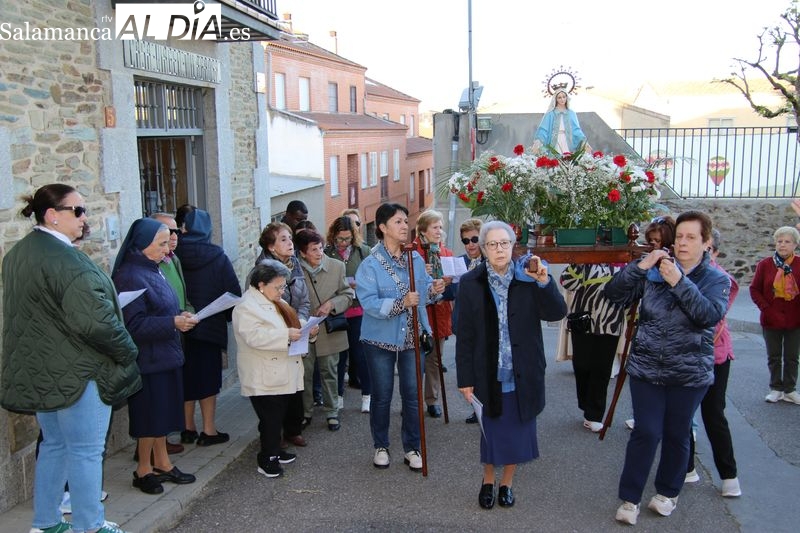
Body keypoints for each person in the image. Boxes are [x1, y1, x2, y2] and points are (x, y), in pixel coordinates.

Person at [1, 184, 140, 533]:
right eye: (77, 211)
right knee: (85, 451)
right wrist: (128, 351)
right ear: (52, 216)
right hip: (79, 373)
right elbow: (96, 323)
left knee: (54, 446)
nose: (84, 218)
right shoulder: (66, 261)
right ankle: (89, 525)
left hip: (43, 370)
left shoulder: (19, 253)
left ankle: (46, 523)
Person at [605, 210, 730, 525]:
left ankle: (667, 492)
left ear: (706, 243)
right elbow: (614, 295)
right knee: (646, 431)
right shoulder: (655, 270)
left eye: (691, 238)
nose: (683, 243)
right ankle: (630, 498)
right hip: (647, 367)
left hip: (689, 373)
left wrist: (680, 282)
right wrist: (640, 268)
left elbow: (708, 316)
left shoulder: (717, 279)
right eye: (681, 237)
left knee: (677, 433)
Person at [455, 221, 567, 510]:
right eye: (492, 244)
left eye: (504, 243)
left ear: (513, 245)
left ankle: (507, 482)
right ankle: (488, 479)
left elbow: (556, 311)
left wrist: (545, 281)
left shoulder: (528, 277)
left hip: (524, 369)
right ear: (483, 249)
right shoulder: (470, 283)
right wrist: (465, 378)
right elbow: (463, 335)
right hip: (487, 371)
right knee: (491, 431)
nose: (499, 249)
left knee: (519, 430)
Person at [355, 203, 444, 471]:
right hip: (379, 339)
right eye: (398, 221)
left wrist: (435, 290)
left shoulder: (415, 258)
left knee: (412, 395)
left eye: (406, 221)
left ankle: (412, 447)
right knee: (382, 395)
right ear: (382, 228)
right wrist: (401, 302)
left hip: (412, 337)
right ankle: (380, 445)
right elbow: (368, 302)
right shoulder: (370, 265)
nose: (405, 226)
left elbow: (424, 294)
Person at [112, 218, 198, 495]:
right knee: (149, 417)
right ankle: (143, 470)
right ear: (142, 244)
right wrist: (173, 323)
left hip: (164, 354)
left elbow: (163, 308)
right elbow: (132, 324)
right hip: (148, 359)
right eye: (161, 244)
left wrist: (180, 316)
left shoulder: (154, 268)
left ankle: (162, 462)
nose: (167, 249)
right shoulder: (129, 275)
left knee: (161, 415)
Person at [175, 208, 242, 446]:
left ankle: (187, 428)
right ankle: (209, 430)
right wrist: (225, 315)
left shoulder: (173, 253)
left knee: (186, 378)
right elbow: (234, 294)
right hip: (209, 327)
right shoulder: (218, 256)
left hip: (179, 327)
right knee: (208, 380)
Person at [232, 261, 304, 478]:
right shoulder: (246, 306)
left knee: (278, 415)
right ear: (261, 284)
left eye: (283, 287)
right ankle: (267, 458)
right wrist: (287, 335)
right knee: (271, 418)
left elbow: (285, 325)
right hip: (263, 372)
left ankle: (276, 451)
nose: (282, 291)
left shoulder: (272, 299)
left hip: (279, 369)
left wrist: (305, 329)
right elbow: (253, 337)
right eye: (278, 287)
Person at [684, 229, 742, 497]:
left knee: (713, 414)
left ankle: (729, 476)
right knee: (681, 416)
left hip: (715, 355)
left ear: (713, 251)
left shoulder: (720, 279)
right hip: (684, 355)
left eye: (708, 250)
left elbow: (708, 315)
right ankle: (686, 468)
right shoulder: (681, 271)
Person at [257, 222, 316, 446]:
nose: (290, 242)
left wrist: (300, 323)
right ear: (271, 247)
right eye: (283, 239)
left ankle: (293, 429)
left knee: (295, 385)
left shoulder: (296, 266)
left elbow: (304, 300)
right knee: (275, 391)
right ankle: (274, 434)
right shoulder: (262, 271)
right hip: (275, 336)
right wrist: (286, 328)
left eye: (290, 237)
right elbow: (262, 308)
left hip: (295, 331)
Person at [296, 230, 354, 430]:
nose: (319, 252)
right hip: (303, 330)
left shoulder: (336, 267)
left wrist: (331, 304)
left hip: (328, 331)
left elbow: (348, 294)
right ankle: (305, 412)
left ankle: (332, 412)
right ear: (302, 253)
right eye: (313, 250)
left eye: (320, 247)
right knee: (304, 373)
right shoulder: (294, 271)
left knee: (330, 371)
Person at [560, 263, 627, 432]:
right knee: (581, 365)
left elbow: (630, 290)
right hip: (583, 320)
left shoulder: (622, 263)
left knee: (602, 369)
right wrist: (578, 264)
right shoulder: (585, 259)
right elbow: (566, 282)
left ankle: (594, 414)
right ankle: (586, 403)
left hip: (610, 321)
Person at [325, 215, 373, 413]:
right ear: (332, 237)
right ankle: (338, 397)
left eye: (347, 239)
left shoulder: (364, 252)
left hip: (359, 310)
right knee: (339, 357)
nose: (343, 243)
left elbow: (373, 279)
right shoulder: (327, 253)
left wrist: (358, 283)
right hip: (337, 311)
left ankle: (367, 396)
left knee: (360, 355)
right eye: (339, 239)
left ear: (354, 236)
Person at [412, 209, 456, 418]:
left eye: (440, 227)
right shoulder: (411, 253)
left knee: (435, 359)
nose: (439, 231)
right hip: (418, 313)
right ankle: (411, 401)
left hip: (439, 312)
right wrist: (422, 275)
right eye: (435, 227)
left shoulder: (446, 253)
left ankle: (432, 399)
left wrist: (449, 281)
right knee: (413, 360)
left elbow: (454, 286)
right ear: (423, 230)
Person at [749, 225, 800, 404]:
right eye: (779, 241)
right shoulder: (765, 265)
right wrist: (767, 309)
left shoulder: (799, 264)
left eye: (787, 242)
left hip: (795, 320)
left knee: (792, 357)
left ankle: (790, 390)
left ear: (795, 245)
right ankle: (776, 388)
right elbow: (755, 289)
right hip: (771, 319)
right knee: (774, 356)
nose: (783, 245)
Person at [451, 218, 484, 424]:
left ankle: (485, 408)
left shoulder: (489, 263)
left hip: (482, 323)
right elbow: (451, 294)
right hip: (464, 322)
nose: (470, 244)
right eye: (466, 240)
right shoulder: (460, 262)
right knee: (470, 365)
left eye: (474, 239)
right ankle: (478, 408)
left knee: (482, 366)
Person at [532, 90, 591, 154]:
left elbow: (576, 130)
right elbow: (543, 129)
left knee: (568, 159)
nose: (562, 99)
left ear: (567, 97)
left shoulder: (571, 113)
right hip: (555, 142)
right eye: (559, 97)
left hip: (568, 141)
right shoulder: (550, 114)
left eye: (564, 97)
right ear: (556, 99)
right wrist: (538, 141)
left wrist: (584, 142)